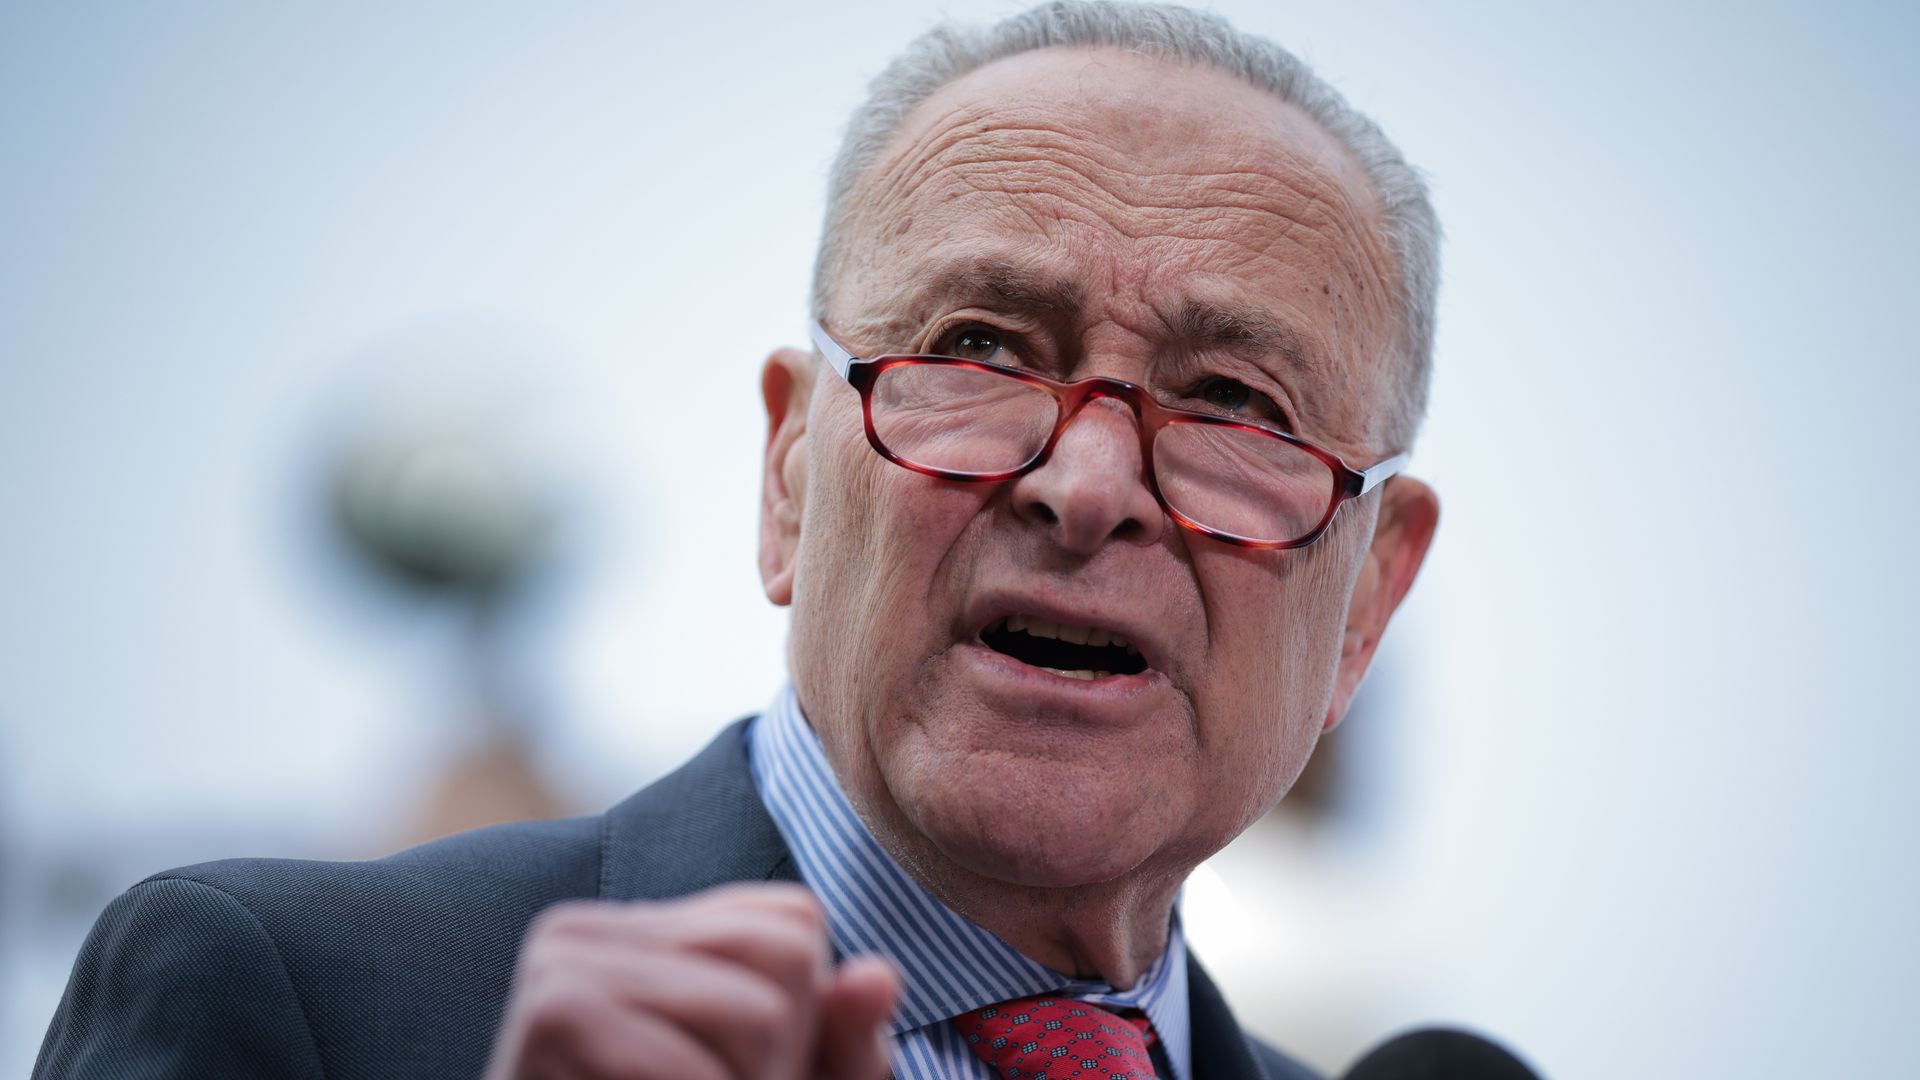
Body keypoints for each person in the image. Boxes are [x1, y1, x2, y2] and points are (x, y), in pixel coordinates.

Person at [35, 2, 1443, 1077]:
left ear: (1368, 606)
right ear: (788, 479)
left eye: (1234, 405)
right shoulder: (278, 997)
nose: (1084, 486)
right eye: (979, 348)